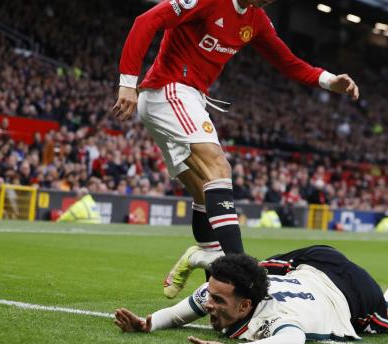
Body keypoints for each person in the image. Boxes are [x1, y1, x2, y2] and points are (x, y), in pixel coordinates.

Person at [111, 0, 360, 299]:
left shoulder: (256, 21)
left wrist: (329, 81)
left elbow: (287, 61)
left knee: (204, 192)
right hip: (169, 89)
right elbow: (146, 20)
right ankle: (245, 277)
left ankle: (213, 290)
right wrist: (128, 81)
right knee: (220, 168)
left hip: (188, 97)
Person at [114, 245, 388, 344]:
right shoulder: (224, 290)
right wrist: (149, 323)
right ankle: (203, 257)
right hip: (313, 261)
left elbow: (294, 341)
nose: (208, 305)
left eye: (217, 302)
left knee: (384, 317)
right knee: (246, 269)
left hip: (351, 291)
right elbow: (179, 313)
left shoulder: (271, 318)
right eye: (210, 297)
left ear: (245, 307)